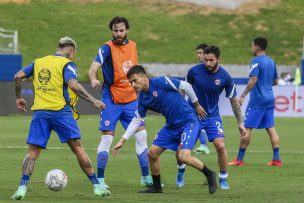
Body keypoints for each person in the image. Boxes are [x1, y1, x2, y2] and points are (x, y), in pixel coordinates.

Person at [11, 37, 110, 200]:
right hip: (60, 112)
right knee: (78, 148)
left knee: (32, 152)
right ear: (71, 49)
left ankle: (21, 188)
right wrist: (94, 100)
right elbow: (73, 85)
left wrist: (19, 97)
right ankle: (97, 186)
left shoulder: (38, 62)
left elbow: (18, 76)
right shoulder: (67, 64)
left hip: (40, 113)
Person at [112, 65, 217, 194]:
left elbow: (186, 86)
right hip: (172, 126)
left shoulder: (160, 82)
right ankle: (157, 187)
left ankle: (210, 174)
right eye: (130, 82)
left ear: (144, 76)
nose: (133, 85)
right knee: (152, 153)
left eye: (135, 80)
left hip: (189, 122)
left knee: (183, 156)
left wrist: (196, 105)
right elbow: (137, 120)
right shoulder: (143, 99)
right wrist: (122, 141)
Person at [88, 16, 151, 189]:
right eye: (115, 30)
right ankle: (100, 180)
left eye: (121, 30)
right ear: (112, 31)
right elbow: (93, 67)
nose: (118, 33)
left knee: (142, 136)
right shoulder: (106, 48)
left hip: (130, 98)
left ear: (127, 30)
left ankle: (146, 176)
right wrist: (93, 79)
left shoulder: (133, 46)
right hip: (111, 98)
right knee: (107, 138)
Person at [182, 45, 246, 190]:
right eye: (205, 60)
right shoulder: (194, 72)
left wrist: (240, 123)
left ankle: (223, 178)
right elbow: (183, 90)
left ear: (218, 59)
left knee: (221, 145)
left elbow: (233, 101)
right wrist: (180, 112)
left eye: (211, 60)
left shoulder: (225, 77)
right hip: (192, 115)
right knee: (182, 148)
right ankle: (181, 169)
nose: (208, 63)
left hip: (212, 116)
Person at [228, 37, 283, 167]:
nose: (251, 48)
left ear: (257, 47)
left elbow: (253, 80)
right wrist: (265, 86)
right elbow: (275, 81)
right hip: (270, 98)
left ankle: (239, 159)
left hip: (258, 100)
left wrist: (242, 96)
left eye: (252, 45)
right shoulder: (271, 61)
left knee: (247, 127)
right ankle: (277, 159)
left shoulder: (256, 61)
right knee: (270, 127)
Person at [194, 43, 210, 155]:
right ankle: (203, 145)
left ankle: (204, 145)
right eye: (197, 53)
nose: (198, 55)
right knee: (196, 122)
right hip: (196, 101)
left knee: (196, 122)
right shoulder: (196, 69)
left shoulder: (209, 69)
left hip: (203, 101)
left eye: (200, 53)